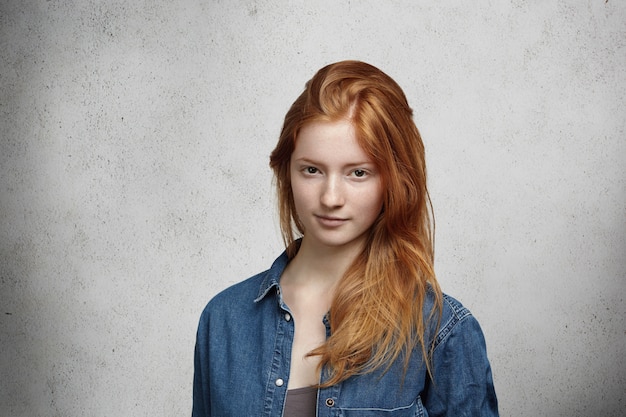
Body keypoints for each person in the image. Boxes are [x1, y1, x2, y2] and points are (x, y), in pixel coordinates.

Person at [192, 60, 498, 416]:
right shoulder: (223, 319)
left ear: (395, 180)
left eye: (358, 172)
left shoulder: (441, 332)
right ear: (285, 171)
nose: (330, 197)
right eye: (312, 170)